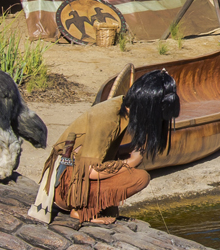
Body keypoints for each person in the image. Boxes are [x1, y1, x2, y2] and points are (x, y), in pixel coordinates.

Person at [47, 69, 180, 224]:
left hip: (70, 179)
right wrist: (131, 162)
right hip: (65, 187)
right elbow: (89, 171)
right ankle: (81, 212)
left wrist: (130, 148)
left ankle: (91, 207)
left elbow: (102, 151)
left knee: (126, 164)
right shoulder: (107, 119)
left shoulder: (121, 107)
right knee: (139, 178)